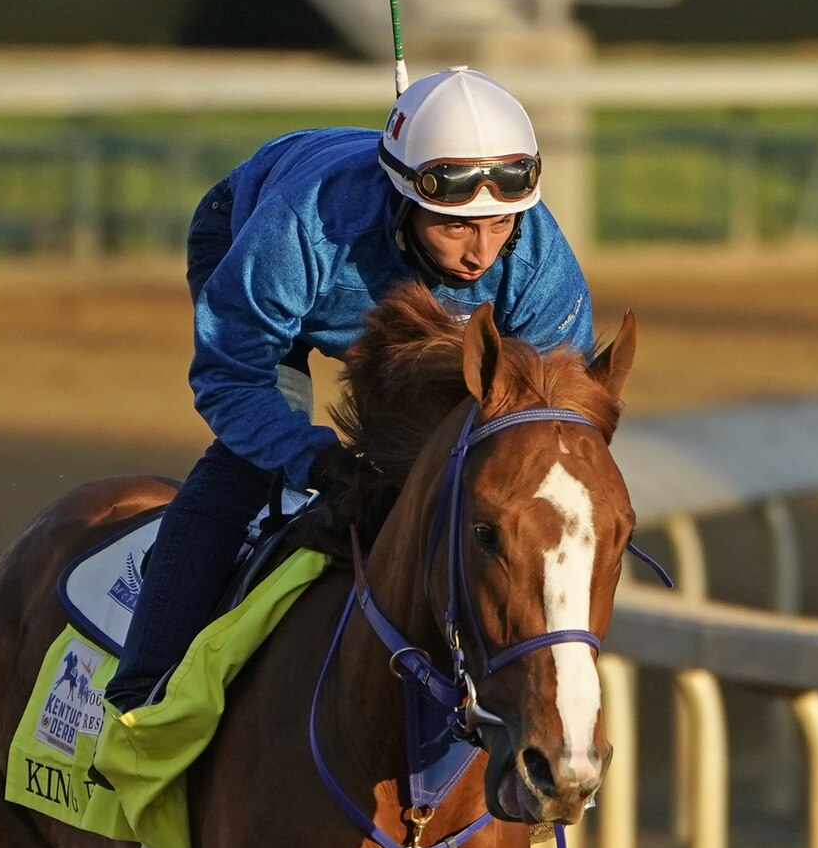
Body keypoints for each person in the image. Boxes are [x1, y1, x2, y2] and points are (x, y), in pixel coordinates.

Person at [102, 66, 595, 713]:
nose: (482, 253)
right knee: (251, 460)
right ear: (407, 199)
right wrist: (315, 461)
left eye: (500, 224)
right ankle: (143, 685)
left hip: (408, 320)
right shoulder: (306, 226)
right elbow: (229, 376)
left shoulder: (537, 263)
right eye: (456, 226)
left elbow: (551, 423)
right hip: (249, 240)